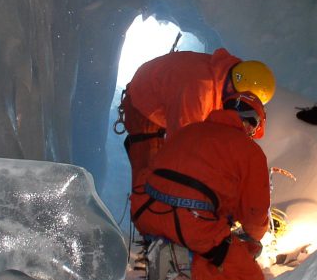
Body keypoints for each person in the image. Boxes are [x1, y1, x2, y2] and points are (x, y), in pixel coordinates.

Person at [130, 92, 270, 280]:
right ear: (251, 123)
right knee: (250, 279)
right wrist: (252, 239)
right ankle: (179, 259)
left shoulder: (189, 129)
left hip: (146, 210)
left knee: (204, 231)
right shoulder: (250, 151)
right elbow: (254, 212)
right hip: (189, 222)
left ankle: (165, 245)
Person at [117, 48, 275, 191]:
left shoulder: (238, 75)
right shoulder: (198, 92)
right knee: (153, 176)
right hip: (145, 105)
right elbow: (182, 145)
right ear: (233, 89)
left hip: (172, 96)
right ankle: (149, 213)